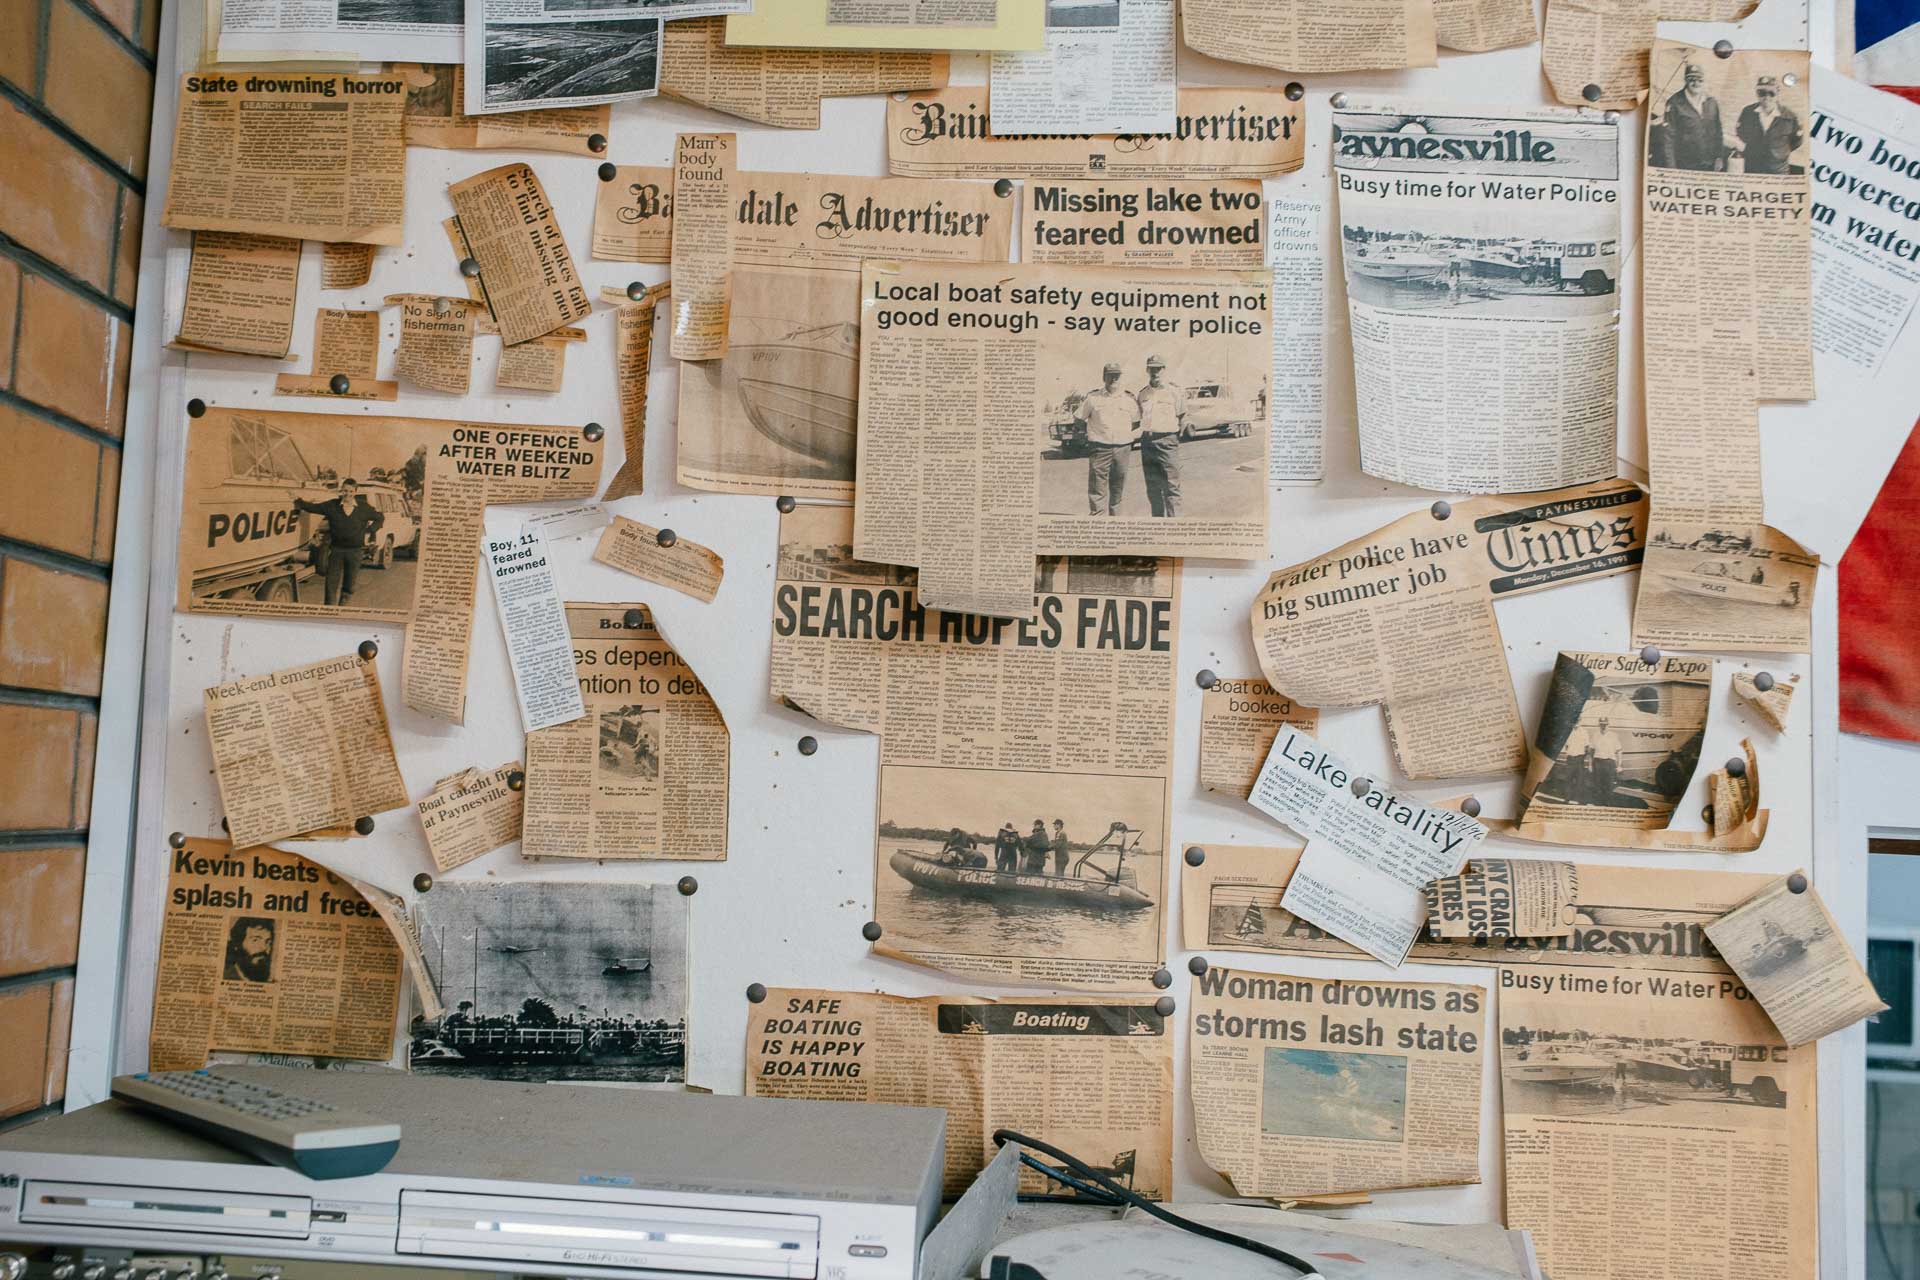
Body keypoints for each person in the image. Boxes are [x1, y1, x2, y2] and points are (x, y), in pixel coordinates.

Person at [295, 478, 385, 607]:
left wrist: (371, 530)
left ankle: (343, 606)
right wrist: (297, 500)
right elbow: (313, 507)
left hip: (355, 551)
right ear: (341, 491)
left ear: (355, 492)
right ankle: (329, 607)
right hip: (336, 550)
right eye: (345, 491)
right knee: (331, 581)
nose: (347, 494)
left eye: (350, 491)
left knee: (350, 582)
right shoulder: (332, 505)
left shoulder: (364, 507)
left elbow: (380, 518)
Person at [1075, 362, 1140, 516]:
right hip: (1099, 447)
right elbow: (1078, 419)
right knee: (1097, 487)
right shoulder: (1093, 398)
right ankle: (1098, 520)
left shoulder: (1129, 399)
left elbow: (1136, 422)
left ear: (1121, 377)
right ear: (1104, 377)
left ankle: (1115, 520)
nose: (1113, 379)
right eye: (1110, 375)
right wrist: (1089, 434)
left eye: (1116, 375)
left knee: (1118, 487)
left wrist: (1126, 437)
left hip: (1122, 448)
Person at [1134, 356, 1185, 518]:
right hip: (1147, 443)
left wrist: (1180, 435)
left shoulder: (1174, 392)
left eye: (1158, 368)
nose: (1155, 372)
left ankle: (1174, 527)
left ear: (1164, 369)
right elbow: (1138, 419)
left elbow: (1182, 415)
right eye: (1152, 368)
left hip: (1167, 441)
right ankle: (1158, 525)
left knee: (1171, 486)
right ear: (1147, 370)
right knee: (1153, 488)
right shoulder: (1142, 394)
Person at [1659, 63, 1725, 171]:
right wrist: (1671, 168)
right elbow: (1668, 138)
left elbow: (1718, 131)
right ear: (1686, 81)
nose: (1696, 83)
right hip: (1685, 165)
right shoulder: (1674, 103)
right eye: (1692, 79)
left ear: (1704, 81)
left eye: (1700, 80)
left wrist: (1719, 157)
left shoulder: (1712, 102)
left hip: (1709, 163)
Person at [1737, 75, 1802, 175]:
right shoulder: (1747, 112)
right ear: (1757, 94)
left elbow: (1796, 142)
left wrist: (1778, 153)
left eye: (1771, 93)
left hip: (1778, 170)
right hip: (1752, 167)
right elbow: (1741, 133)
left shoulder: (1790, 117)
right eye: (1762, 93)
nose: (1766, 98)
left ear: (1778, 94)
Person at [223, 918, 275, 983]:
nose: (264, 948)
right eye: (255, 940)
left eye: (268, 942)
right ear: (238, 943)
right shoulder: (225, 977)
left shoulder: (270, 980)